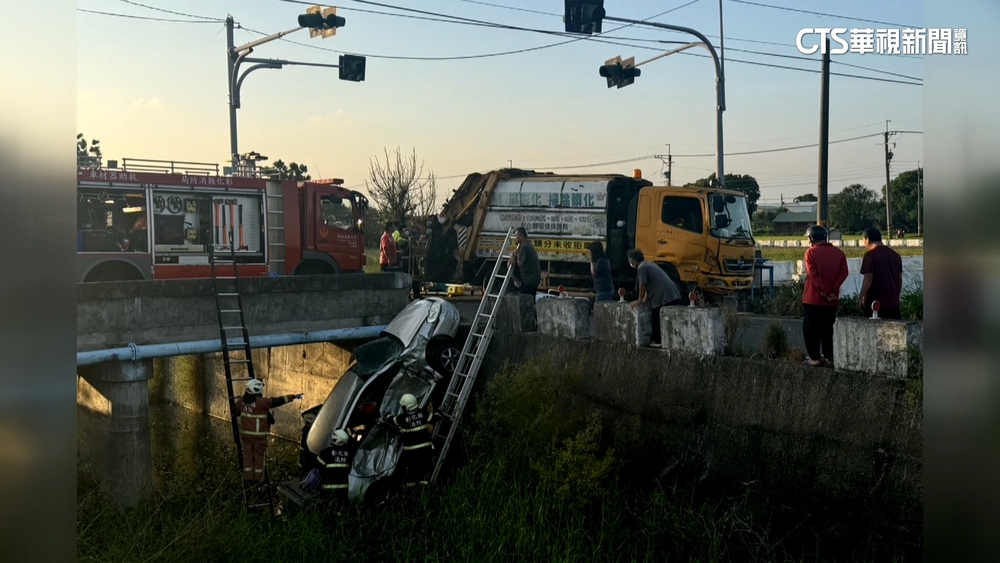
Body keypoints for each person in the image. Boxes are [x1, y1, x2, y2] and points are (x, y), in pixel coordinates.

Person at [232, 378, 302, 482]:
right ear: (258, 390)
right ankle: (258, 480)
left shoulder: (242, 401)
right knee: (259, 458)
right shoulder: (262, 402)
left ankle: (248, 479)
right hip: (259, 438)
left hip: (246, 437)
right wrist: (292, 397)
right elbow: (278, 401)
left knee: (248, 457)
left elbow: (235, 411)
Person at [801, 225, 849, 367]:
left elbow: (813, 275)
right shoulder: (839, 253)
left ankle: (814, 358)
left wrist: (824, 291)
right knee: (828, 330)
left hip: (813, 299)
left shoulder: (810, 253)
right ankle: (829, 357)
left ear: (811, 238)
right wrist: (832, 291)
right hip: (831, 301)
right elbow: (844, 272)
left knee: (810, 330)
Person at [627, 249, 682, 348]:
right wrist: (644, 299)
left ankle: (657, 341)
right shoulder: (649, 264)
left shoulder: (642, 268)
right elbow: (649, 285)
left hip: (663, 296)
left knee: (656, 317)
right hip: (672, 294)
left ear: (633, 260)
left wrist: (639, 300)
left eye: (630, 260)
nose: (630, 262)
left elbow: (642, 285)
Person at [387, 393, 441, 486]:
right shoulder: (423, 413)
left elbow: (391, 420)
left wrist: (387, 414)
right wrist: (440, 411)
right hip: (425, 449)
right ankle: (424, 489)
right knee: (424, 470)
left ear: (405, 407)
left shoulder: (402, 418)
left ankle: (411, 490)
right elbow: (434, 418)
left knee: (412, 471)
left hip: (410, 451)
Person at [858, 227, 903, 319]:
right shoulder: (895, 255)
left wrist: (860, 297)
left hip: (874, 304)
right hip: (893, 304)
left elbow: (868, 278)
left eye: (864, 240)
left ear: (868, 239)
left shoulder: (870, 255)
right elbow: (900, 279)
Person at [317, 429, 352, 496]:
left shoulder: (325, 452)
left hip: (327, 490)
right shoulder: (350, 453)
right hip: (344, 491)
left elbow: (319, 469)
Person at [510, 227, 541, 295]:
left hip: (528, 281)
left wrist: (513, 257)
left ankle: (516, 282)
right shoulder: (528, 244)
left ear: (521, 236)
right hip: (533, 279)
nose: (515, 238)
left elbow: (520, 263)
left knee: (509, 264)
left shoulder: (524, 247)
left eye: (516, 236)